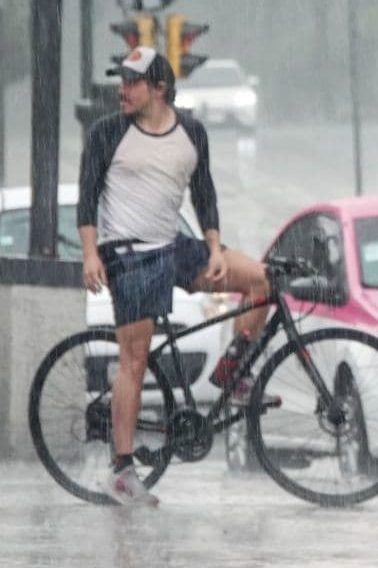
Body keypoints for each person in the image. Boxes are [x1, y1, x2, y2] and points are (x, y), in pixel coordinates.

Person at [77, 47, 272, 507]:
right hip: (130, 256)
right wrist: (90, 255)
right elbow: (87, 199)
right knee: (135, 360)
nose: (122, 90)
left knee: (260, 279)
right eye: (120, 81)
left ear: (159, 88)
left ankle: (233, 373)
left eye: (132, 82)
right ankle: (122, 469)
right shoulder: (108, 132)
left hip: (177, 248)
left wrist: (213, 245)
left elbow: (204, 191)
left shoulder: (192, 132)